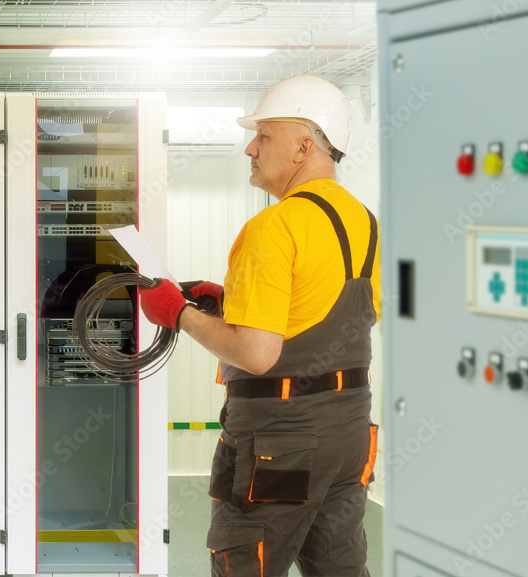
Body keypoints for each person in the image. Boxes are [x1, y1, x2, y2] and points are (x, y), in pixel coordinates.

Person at [140, 75, 381, 577]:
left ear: (303, 146)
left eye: (264, 136)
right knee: (338, 566)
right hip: (350, 434)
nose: (250, 147)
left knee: (248, 563)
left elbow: (256, 354)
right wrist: (230, 302)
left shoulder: (275, 226)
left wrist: (178, 313)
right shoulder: (363, 221)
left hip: (281, 443)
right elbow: (320, 311)